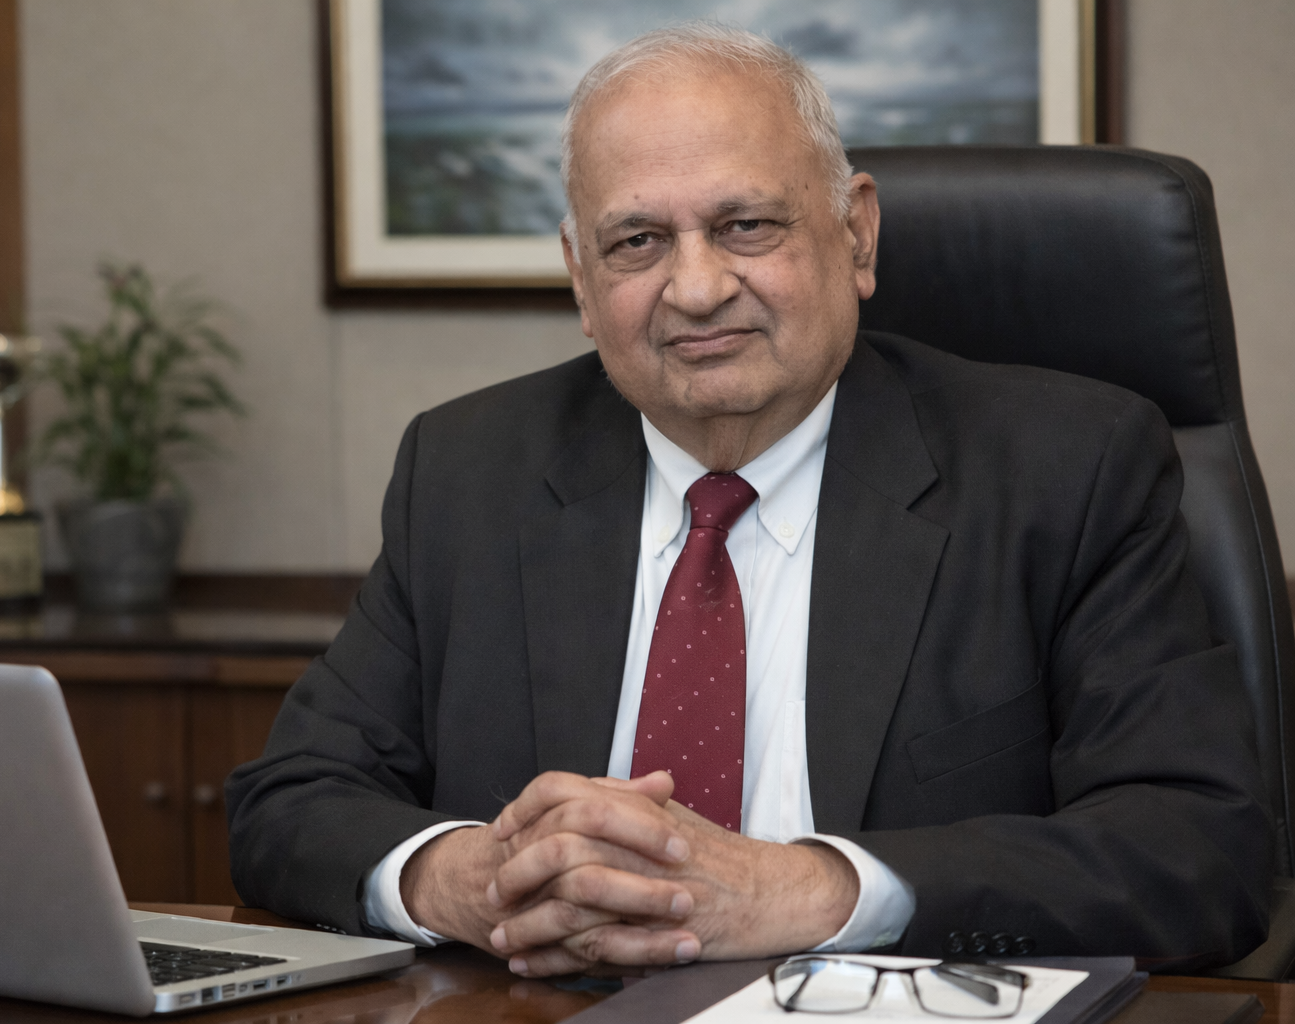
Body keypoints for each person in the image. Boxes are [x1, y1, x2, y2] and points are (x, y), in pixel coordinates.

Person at [227, 23, 1271, 976]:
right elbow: (288, 801)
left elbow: (1195, 852)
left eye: (746, 226)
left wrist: (806, 891)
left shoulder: (1066, 469)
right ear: (582, 281)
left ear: (857, 235)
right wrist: (470, 879)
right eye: (637, 242)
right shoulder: (467, 473)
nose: (695, 289)